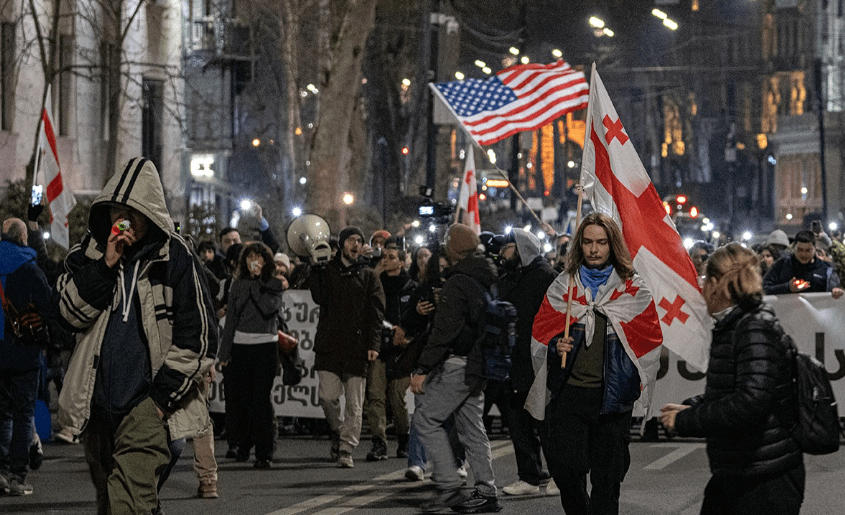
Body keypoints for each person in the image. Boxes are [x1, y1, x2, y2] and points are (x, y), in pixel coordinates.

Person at [54, 157, 218, 514]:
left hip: (149, 406)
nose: (122, 221)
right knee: (112, 500)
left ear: (151, 216)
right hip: (96, 409)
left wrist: (159, 402)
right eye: (116, 212)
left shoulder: (175, 256)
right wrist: (106, 266)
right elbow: (68, 313)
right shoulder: (89, 253)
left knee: (126, 498)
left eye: (133, 213)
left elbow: (200, 338)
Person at [527, 212, 662, 515]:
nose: (594, 249)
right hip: (570, 395)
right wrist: (554, 345)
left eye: (601, 242)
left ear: (612, 245)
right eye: (587, 242)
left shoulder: (632, 289)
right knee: (566, 471)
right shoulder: (563, 286)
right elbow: (540, 334)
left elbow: (650, 339)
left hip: (612, 401)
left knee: (608, 480)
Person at [660, 243, 803, 515]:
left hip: (764, 477)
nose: (701, 287)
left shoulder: (753, 327)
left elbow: (750, 402)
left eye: (703, 279)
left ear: (715, 283)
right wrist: (694, 407)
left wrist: (687, 420)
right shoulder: (741, 323)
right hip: (743, 470)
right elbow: (738, 391)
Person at [410, 223, 502, 514]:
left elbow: (444, 331)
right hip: (477, 364)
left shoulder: (458, 281)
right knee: (473, 430)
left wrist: (423, 367)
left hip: (458, 364)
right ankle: (487, 491)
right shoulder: (485, 277)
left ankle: (448, 486)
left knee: (426, 419)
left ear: (452, 249)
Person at [310, 226, 385, 468]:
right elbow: (318, 297)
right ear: (342, 244)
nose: (355, 244)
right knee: (328, 396)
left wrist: (373, 343)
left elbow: (376, 313)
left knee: (354, 403)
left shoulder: (368, 274)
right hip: (329, 345)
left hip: (356, 346)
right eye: (350, 239)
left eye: (358, 240)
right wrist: (316, 268)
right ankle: (339, 430)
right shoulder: (326, 270)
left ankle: (346, 448)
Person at [496, 229, 559, 497]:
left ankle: (561, 475)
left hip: (539, 362)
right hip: (513, 363)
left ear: (521, 248)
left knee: (547, 425)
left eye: (507, 247)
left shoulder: (546, 278)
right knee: (518, 424)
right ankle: (529, 476)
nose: (502, 253)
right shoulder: (509, 278)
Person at [218, 242, 285, 468]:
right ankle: (243, 444)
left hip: (265, 346)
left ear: (266, 261)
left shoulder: (274, 284)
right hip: (240, 346)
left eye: (258, 257)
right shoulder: (236, 285)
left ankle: (265, 452)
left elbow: (268, 309)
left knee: (261, 400)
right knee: (242, 400)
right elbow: (231, 320)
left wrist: (257, 282)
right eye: (249, 257)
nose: (253, 261)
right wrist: (224, 353)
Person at [0, 218, 52, 496]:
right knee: (23, 416)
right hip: (24, 353)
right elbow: (49, 305)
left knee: (2, 415)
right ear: (23, 238)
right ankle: (17, 476)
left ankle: (1, 471)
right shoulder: (29, 269)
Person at [365, 241, 416, 461]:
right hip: (380, 348)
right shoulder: (376, 285)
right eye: (384, 256)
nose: (386, 260)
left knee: (397, 397)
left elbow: (417, 318)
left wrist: (408, 336)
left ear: (403, 262)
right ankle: (379, 442)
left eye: (392, 257)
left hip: (402, 350)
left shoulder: (411, 287)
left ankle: (404, 439)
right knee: (375, 396)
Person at [762, 230, 844, 298]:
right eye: (800, 250)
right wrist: (787, 287)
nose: (804, 254)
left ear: (815, 248)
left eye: (808, 250)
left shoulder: (826, 269)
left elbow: (836, 288)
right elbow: (764, 288)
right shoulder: (782, 265)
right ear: (794, 247)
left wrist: (836, 291)